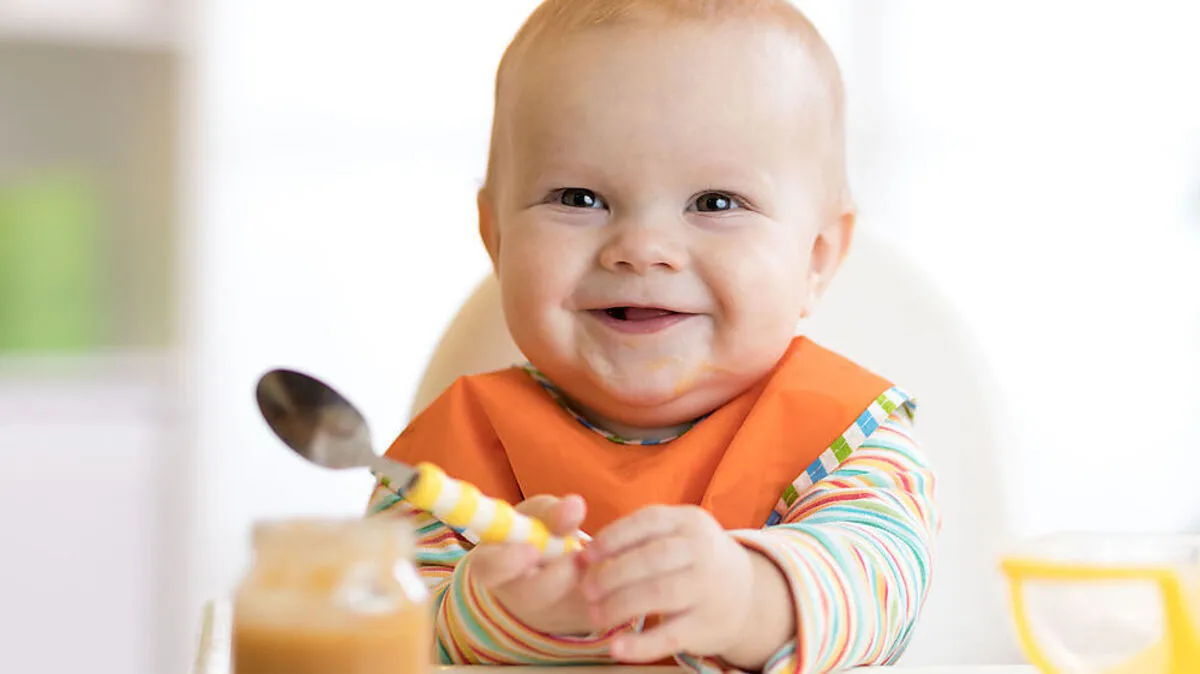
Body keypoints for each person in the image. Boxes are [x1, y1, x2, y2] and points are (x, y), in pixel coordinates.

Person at [368, 2, 939, 672]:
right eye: (579, 198)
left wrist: (748, 597)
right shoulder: (448, 458)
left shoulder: (847, 438)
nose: (642, 249)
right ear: (496, 238)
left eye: (716, 203)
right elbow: (381, 630)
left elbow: (879, 590)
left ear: (815, 257)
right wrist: (494, 615)